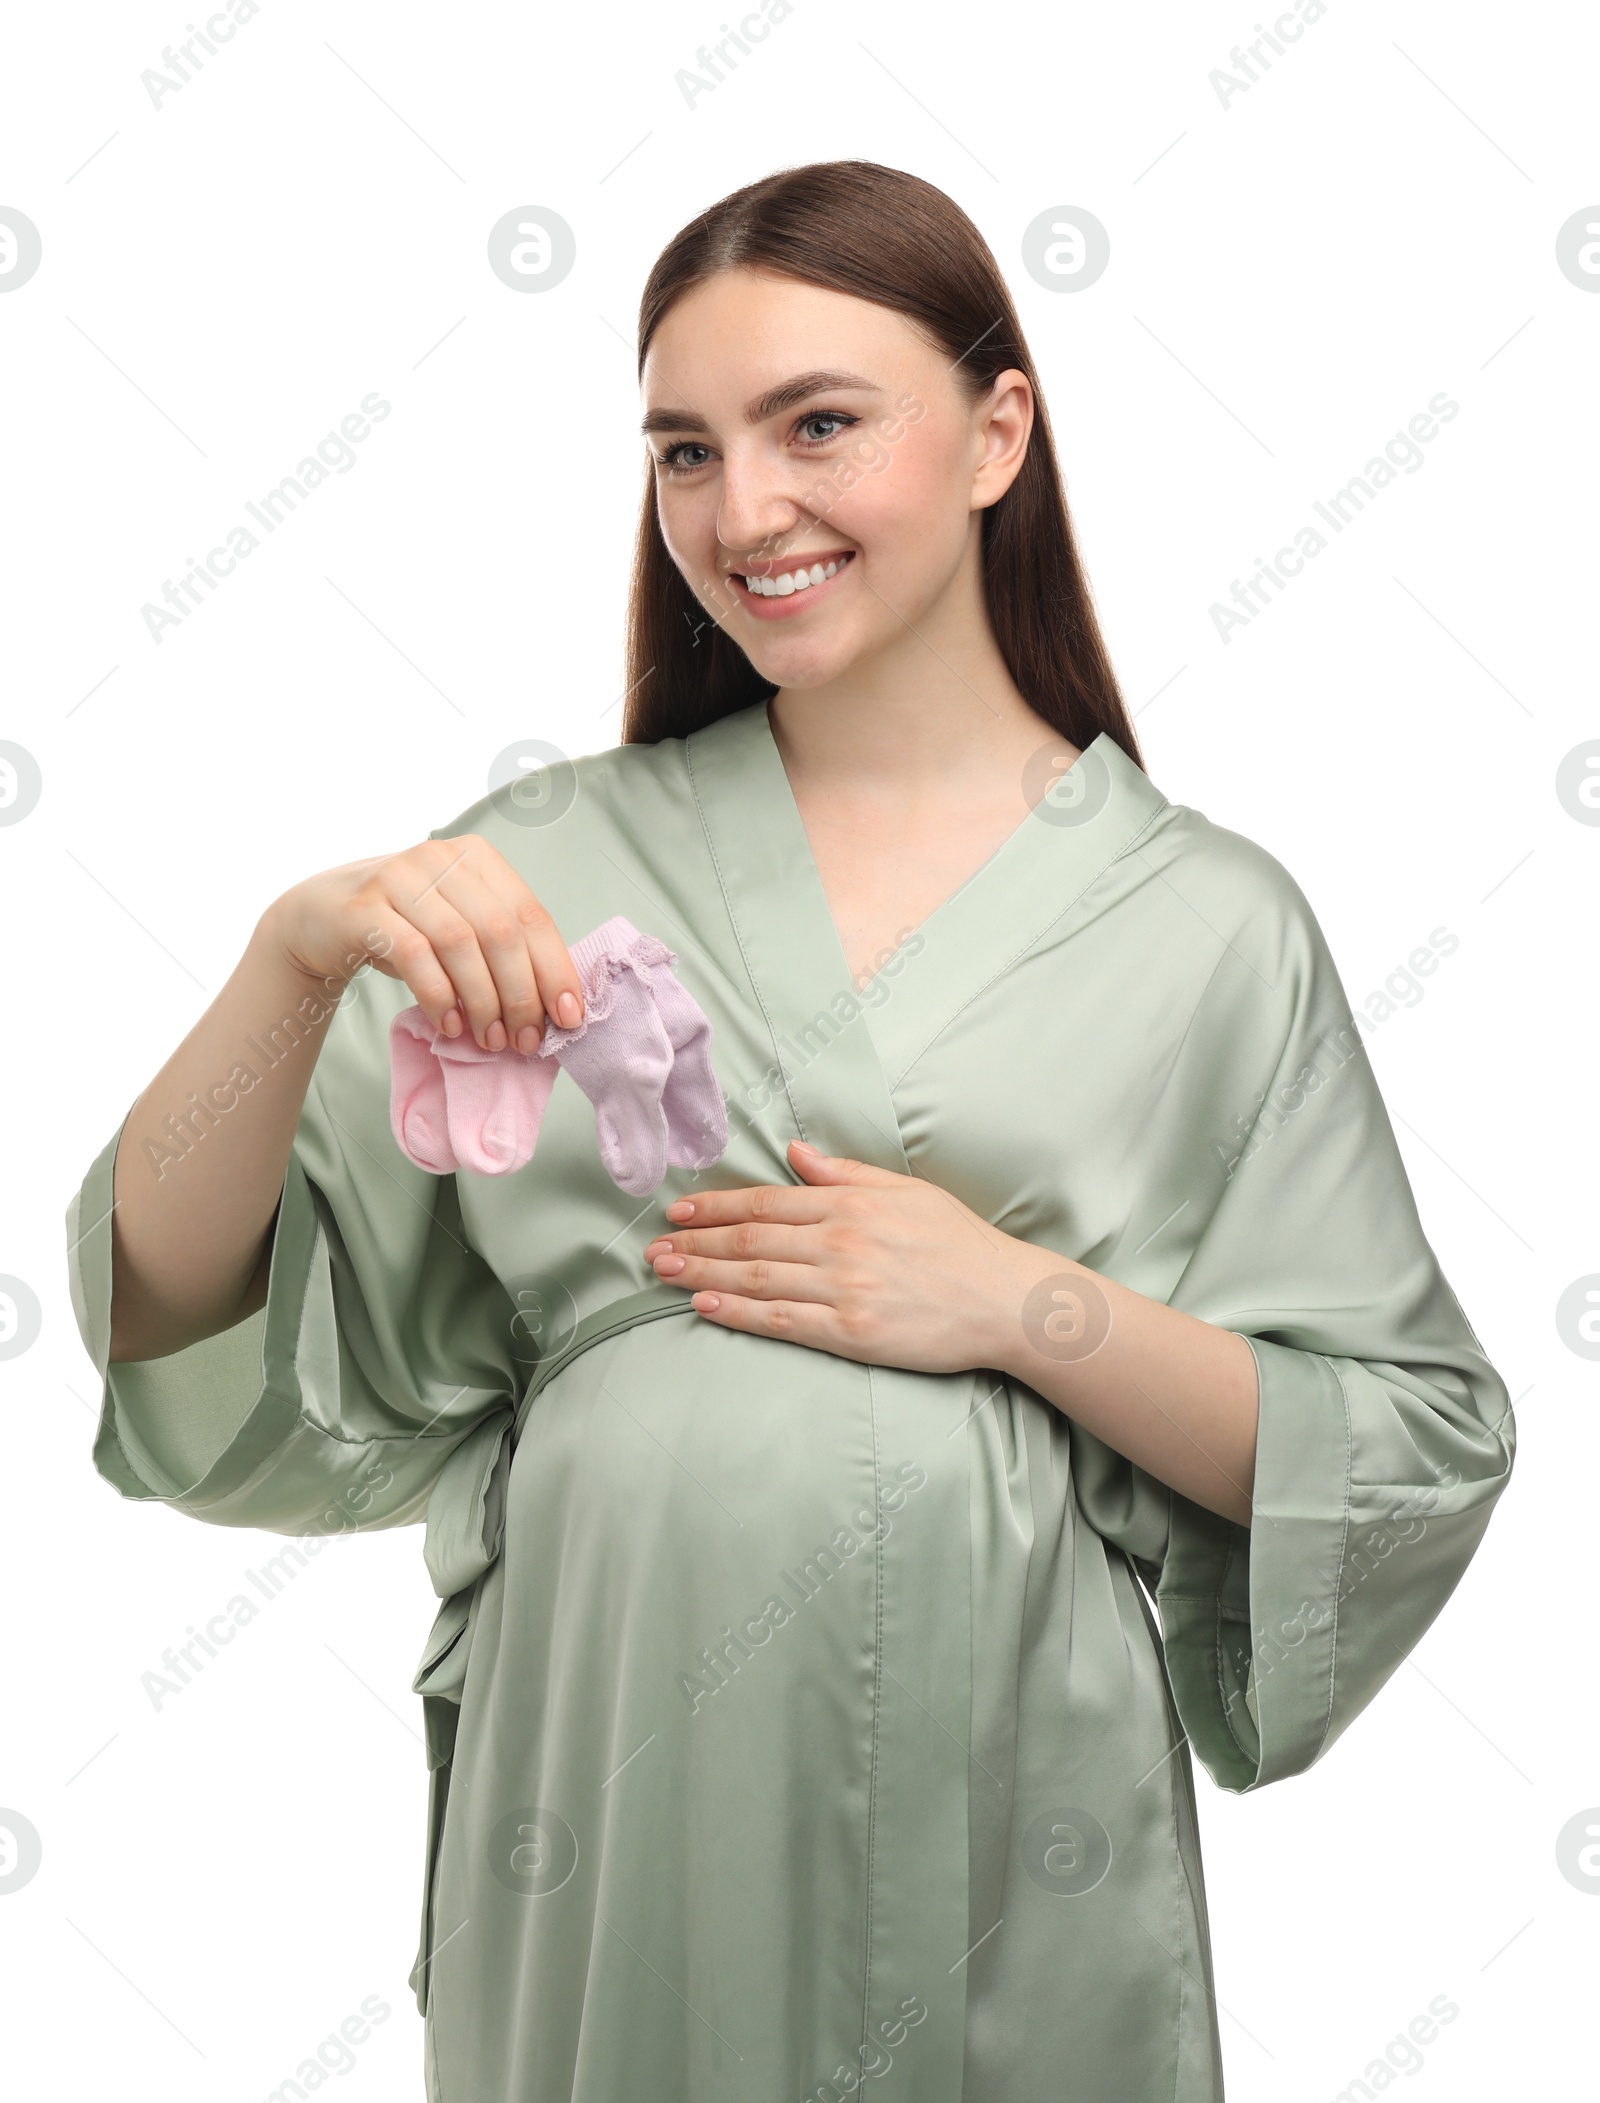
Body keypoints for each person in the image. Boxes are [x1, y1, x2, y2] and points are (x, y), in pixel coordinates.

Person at [65, 161, 1515, 2101]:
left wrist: (1018, 1308)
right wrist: (290, 961)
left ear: (997, 432)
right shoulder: (538, 869)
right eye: (683, 449)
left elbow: (1404, 1444)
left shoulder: (1202, 924)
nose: (740, 512)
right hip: (598, 1782)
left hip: (1012, 1797)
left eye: (815, 424)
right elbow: (176, 1313)